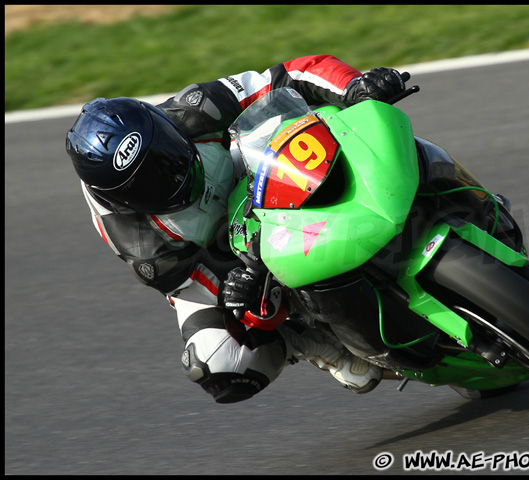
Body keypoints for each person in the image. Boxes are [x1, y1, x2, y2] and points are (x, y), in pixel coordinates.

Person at [65, 55, 407, 403]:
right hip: (217, 248)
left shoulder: (193, 109)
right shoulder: (148, 250)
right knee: (214, 365)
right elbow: (208, 285)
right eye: (149, 184)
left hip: (250, 169)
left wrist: (354, 87)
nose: (171, 173)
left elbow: (288, 75)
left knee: (332, 117)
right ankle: (305, 338)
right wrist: (243, 285)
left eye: (166, 153)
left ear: (164, 125)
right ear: (125, 203)